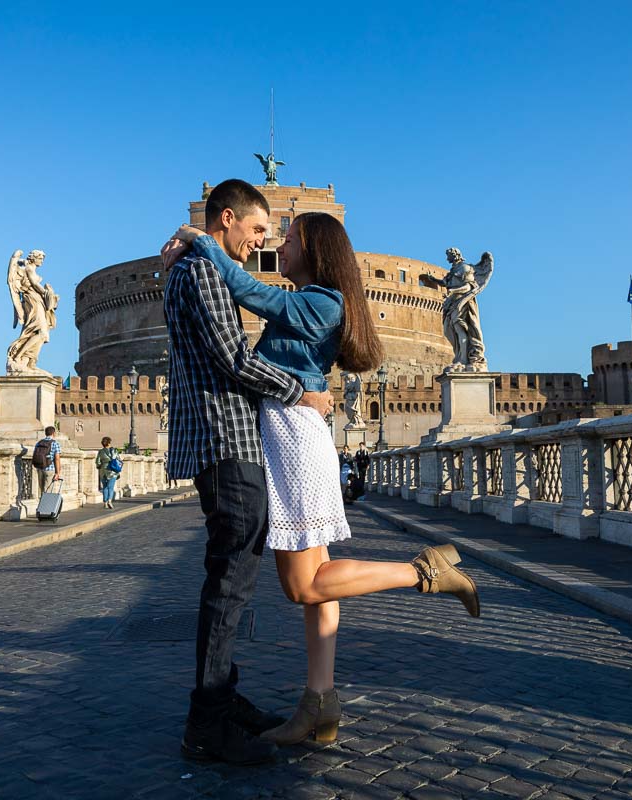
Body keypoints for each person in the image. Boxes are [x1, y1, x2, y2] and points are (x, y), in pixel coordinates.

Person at [162, 210, 481, 750]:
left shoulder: (322, 301)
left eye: (288, 242)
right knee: (320, 578)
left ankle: (423, 571)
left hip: (291, 435)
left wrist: (199, 241)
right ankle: (320, 702)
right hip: (294, 429)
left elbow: (252, 293)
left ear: (315, 251)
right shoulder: (321, 301)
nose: (277, 250)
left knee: (302, 584)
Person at [163, 179, 335, 766]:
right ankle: (207, 725)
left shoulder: (188, 268)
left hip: (223, 439)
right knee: (229, 586)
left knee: (230, 583)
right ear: (228, 219)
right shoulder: (204, 271)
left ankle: (223, 701)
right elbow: (234, 359)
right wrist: (302, 394)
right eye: (257, 230)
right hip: (225, 440)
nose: (262, 242)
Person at [32, 426, 61, 494]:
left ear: (45, 433)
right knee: (48, 490)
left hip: (39, 468)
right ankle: (46, 504)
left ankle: (41, 503)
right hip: (49, 469)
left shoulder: (39, 443)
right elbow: (57, 459)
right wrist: (57, 472)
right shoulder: (55, 443)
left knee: (40, 489)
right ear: (54, 433)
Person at [95, 437, 122, 508]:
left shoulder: (100, 451)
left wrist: (99, 466)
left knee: (105, 487)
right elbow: (119, 459)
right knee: (111, 487)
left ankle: (105, 502)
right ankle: (109, 500)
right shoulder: (114, 451)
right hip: (112, 470)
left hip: (103, 470)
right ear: (109, 443)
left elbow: (97, 461)